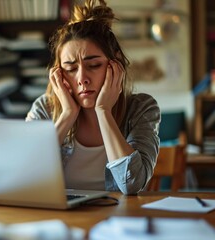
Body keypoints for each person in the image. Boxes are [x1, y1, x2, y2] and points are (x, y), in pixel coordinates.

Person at [26, 0, 160, 195]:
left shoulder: (141, 108)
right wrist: (67, 115)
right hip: (62, 221)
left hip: (118, 220)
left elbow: (132, 184)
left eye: (94, 65)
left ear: (115, 66)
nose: (82, 79)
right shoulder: (43, 109)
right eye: (71, 69)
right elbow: (26, 177)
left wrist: (103, 111)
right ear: (59, 75)